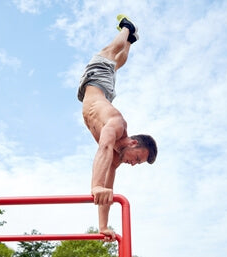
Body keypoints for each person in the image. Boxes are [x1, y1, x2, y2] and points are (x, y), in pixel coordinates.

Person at [78, 14, 158, 241]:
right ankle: (126, 29)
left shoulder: (115, 159)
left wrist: (102, 226)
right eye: (137, 158)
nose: (133, 164)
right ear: (133, 143)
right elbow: (103, 147)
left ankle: (131, 40)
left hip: (103, 93)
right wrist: (94, 187)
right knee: (110, 53)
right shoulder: (117, 125)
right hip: (96, 82)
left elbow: (108, 191)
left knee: (116, 63)